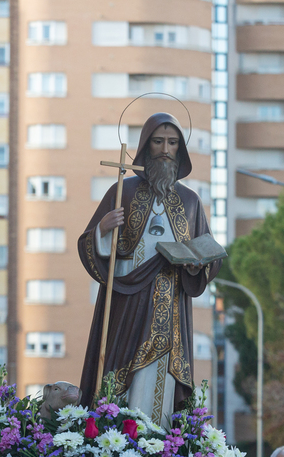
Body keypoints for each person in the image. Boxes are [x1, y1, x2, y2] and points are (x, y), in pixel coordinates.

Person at [78, 112, 220, 423]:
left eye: (172, 142)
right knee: (120, 372)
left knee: (162, 378)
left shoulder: (190, 201)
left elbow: (206, 253)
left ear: (180, 149)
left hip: (170, 308)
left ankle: (158, 441)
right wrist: (103, 229)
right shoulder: (123, 191)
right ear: (146, 146)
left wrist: (197, 266)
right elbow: (89, 245)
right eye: (159, 142)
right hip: (127, 302)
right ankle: (115, 437)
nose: (166, 149)